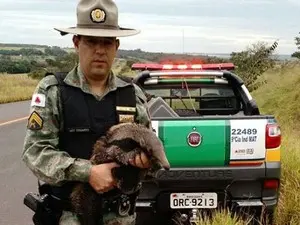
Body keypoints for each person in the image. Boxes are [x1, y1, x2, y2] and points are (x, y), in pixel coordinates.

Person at [22, 0, 152, 224]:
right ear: (76, 42)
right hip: (68, 217)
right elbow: (35, 152)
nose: (100, 50)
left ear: (116, 46)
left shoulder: (133, 95)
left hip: (121, 218)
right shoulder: (53, 91)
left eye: (107, 42)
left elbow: (149, 156)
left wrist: (145, 163)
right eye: (91, 41)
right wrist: (87, 172)